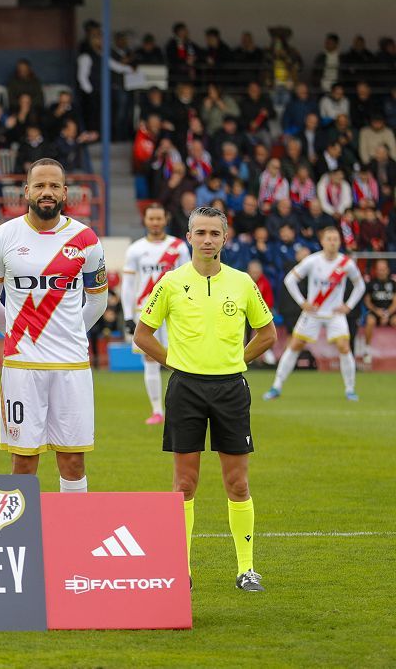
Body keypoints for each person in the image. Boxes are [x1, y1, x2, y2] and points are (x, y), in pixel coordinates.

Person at [134, 206, 276, 592]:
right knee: (184, 484)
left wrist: (236, 361)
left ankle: (246, 569)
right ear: (189, 237)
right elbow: (142, 334)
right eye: (201, 233)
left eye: (215, 233)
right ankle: (182, 569)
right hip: (186, 389)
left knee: (237, 483)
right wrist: (175, 363)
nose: (208, 239)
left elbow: (267, 335)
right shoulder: (170, 282)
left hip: (231, 388)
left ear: (225, 238)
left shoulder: (243, 283)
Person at [0, 158, 108, 491]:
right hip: (22, 366)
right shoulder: (1, 238)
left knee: (73, 461)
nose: (46, 192)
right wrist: (16, 334)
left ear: (65, 192)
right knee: (23, 462)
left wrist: (70, 333)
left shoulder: (87, 239)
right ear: (26, 191)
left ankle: (73, 536)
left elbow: (97, 300)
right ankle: (23, 541)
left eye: (53, 185)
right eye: (39, 185)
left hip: (72, 365)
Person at [264, 227, 365, 401]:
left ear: (339, 242)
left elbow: (360, 285)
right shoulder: (313, 261)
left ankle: (350, 389)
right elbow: (290, 280)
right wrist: (302, 302)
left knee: (344, 346)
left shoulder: (346, 263)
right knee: (295, 345)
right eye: (329, 239)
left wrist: (348, 306)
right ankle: (276, 387)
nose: (332, 242)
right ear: (322, 241)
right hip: (313, 313)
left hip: (335, 314)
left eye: (335, 239)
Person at [122, 203, 191, 424]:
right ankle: (157, 411)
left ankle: (181, 408)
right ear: (145, 220)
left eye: (159, 218)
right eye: (151, 219)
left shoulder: (179, 247)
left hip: (174, 311)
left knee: (180, 358)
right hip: (146, 311)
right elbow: (128, 284)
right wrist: (127, 316)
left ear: (166, 219)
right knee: (150, 358)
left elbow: (188, 279)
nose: (155, 223)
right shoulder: (135, 249)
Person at [363, 259, 395, 367]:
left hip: (390, 312)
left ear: (388, 270)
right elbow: (367, 301)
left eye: (383, 269)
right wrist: (378, 311)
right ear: (376, 270)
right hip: (375, 311)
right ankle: (367, 351)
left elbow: (395, 302)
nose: (381, 271)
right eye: (379, 269)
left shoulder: (393, 284)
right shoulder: (371, 284)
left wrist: (387, 314)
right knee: (370, 321)